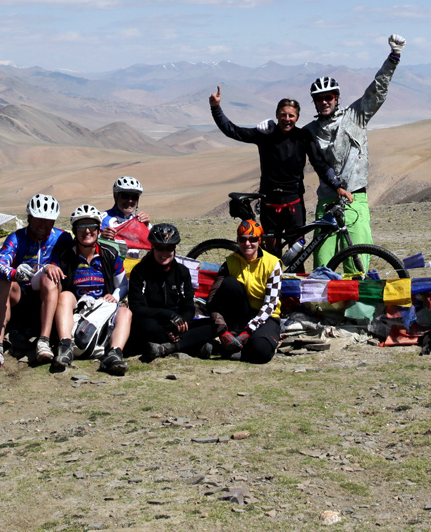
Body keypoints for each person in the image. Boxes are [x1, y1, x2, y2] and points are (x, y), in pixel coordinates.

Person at [306, 34, 404, 273]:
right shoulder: (309, 131)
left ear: (336, 98)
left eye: (328, 97)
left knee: (357, 266)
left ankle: (355, 311)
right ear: (315, 103)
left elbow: (377, 90)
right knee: (322, 267)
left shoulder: (355, 116)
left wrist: (394, 57)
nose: (324, 102)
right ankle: (322, 310)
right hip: (327, 202)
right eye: (319, 99)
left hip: (355, 200)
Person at [208, 87, 344, 254]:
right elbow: (232, 131)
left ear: (297, 117)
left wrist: (336, 185)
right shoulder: (265, 135)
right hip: (269, 204)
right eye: (283, 115)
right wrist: (216, 108)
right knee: (271, 256)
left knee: (296, 254)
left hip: (294, 204)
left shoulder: (303, 137)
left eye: (291, 115)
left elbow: (319, 164)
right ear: (277, 115)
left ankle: (295, 280)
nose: (287, 119)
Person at [0, 194, 69, 372]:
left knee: (50, 276)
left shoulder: (63, 238)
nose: (43, 226)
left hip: (48, 297)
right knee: (4, 281)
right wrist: (14, 272)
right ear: (29, 217)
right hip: (19, 297)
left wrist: (52, 266)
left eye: (48, 221)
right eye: (38, 220)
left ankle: (43, 341)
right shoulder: (16, 237)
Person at [41, 204, 132, 375]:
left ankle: (115, 353)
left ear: (99, 230)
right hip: (76, 309)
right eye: (82, 227)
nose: (87, 231)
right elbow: (50, 268)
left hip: (102, 306)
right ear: (75, 231)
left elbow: (122, 285)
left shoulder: (110, 254)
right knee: (66, 295)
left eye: (91, 227)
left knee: (125, 313)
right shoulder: (65, 255)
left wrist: (114, 296)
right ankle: (65, 345)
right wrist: (47, 267)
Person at [126, 222, 215, 361]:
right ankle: (193, 345)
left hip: (176, 324)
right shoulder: (140, 271)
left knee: (214, 324)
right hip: (153, 322)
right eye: (160, 248)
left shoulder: (182, 272)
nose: (164, 253)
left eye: (169, 248)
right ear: (152, 247)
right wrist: (168, 316)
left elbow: (188, 306)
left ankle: (169, 347)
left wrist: (178, 325)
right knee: (145, 328)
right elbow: (137, 308)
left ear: (175, 248)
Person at [207, 220, 284, 364]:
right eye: (242, 239)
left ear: (259, 240)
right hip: (240, 315)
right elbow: (212, 299)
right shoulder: (230, 262)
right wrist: (222, 330)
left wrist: (249, 330)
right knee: (230, 283)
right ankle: (234, 337)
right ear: (237, 240)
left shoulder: (273, 264)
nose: (247, 244)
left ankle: (225, 349)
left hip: (267, 316)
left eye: (252, 239)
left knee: (261, 351)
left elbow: (270, 304)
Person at [102, 177, 152, 251]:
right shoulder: (101, 218)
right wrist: (100, 237)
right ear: (115, 196)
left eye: (134, 197)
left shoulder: (140, 222)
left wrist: (146, 227)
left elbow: (157, 245)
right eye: (125, 196)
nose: (130, 201)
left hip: (134, 261)